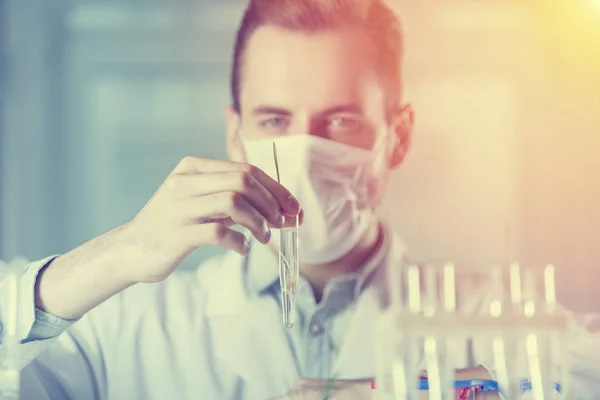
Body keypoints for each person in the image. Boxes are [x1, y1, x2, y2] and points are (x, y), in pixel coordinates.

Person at [3, 0, 600, 399]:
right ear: (235, 134)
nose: (306, 152)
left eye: (340, 121)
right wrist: (121, 252)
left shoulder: (492, 318)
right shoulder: (131, 330)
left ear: (400, 136)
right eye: (276, 119)